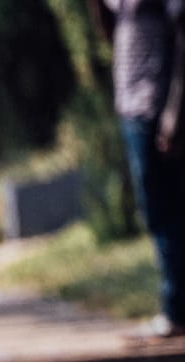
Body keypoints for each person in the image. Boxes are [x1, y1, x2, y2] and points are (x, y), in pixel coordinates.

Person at [95, 0, 185, 338]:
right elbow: (108, 31)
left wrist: (175, 111)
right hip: (132, 104)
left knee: (168, 212)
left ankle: (176, 310)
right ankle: (175, 308)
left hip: (158, 105)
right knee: (156, 211)